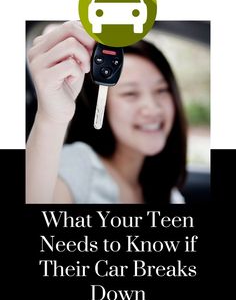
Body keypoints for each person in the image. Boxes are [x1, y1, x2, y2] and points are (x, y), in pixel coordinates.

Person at [26, 21, 187, 204]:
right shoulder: (79, 165)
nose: (152, 108)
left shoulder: (167, 189)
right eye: (130, 93)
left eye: (161, 90)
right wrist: (51, 119)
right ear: (99, 103)